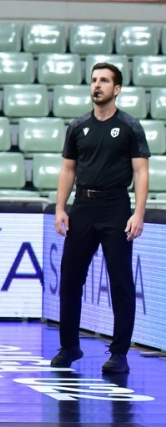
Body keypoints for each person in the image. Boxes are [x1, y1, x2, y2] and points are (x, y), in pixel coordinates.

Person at [52, 62, 149, 375]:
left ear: (116, 89)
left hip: (115, 207)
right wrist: (60, 208)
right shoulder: (78, 126)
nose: (97, 85)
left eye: (104, 80)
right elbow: (68, 169)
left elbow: (141, 171)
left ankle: (119, 353)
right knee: (70, 279)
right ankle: (69, 346)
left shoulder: (130, 127)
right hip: (83, 206)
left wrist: (138, 213)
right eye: (94, 80)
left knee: (120, 282)